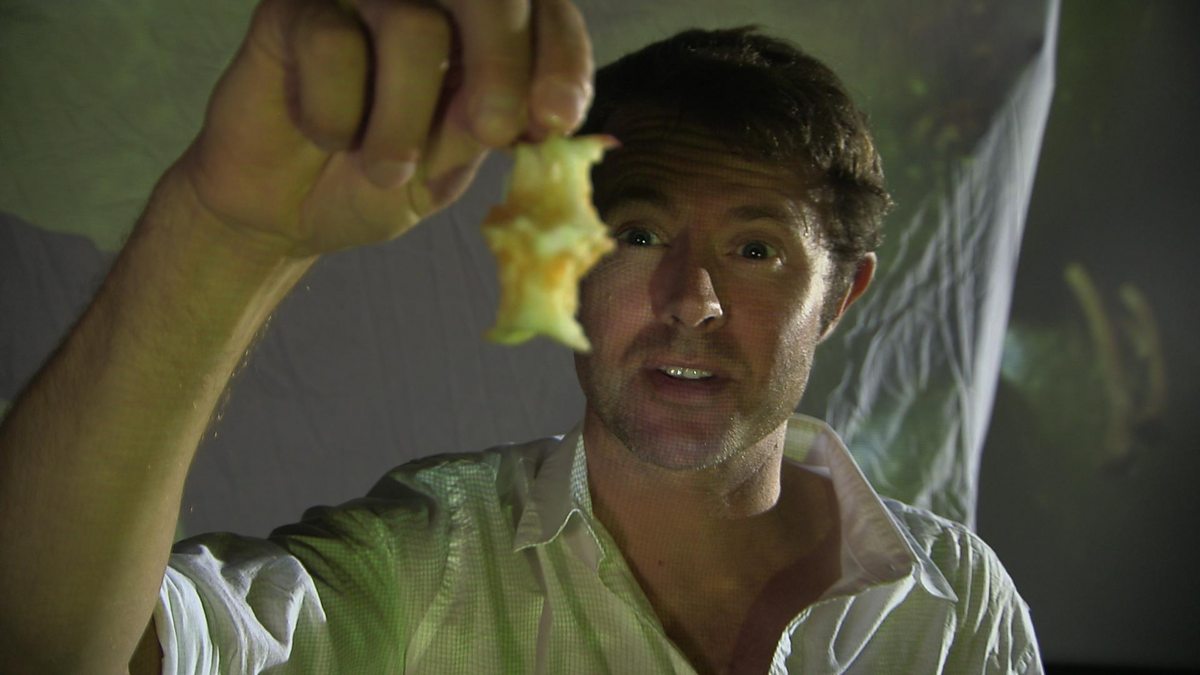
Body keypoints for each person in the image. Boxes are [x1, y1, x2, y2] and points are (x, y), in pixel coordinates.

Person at [0, 0, 1041, 673]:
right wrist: (226, 232)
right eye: (638, 234)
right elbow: (52, 648)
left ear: (842, 296)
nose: (691, 300)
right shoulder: (418, 569)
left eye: (757, 249)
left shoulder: (957, 608)